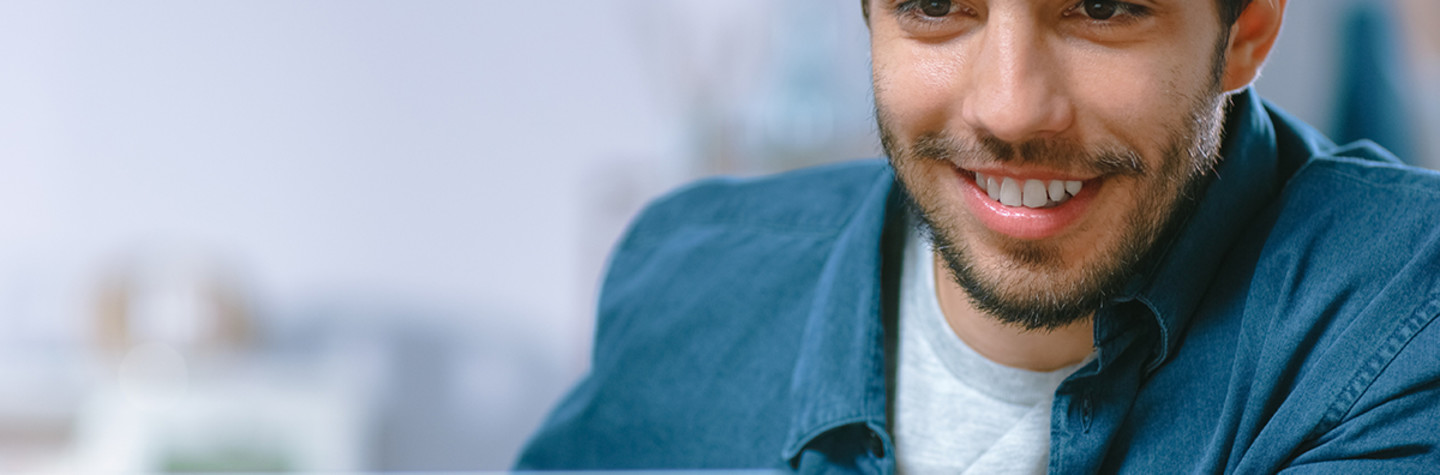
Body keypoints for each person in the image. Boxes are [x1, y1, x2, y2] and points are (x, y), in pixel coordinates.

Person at [516, 0, 1440, 472]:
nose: (1010, 109)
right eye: (934, 2)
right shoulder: (687, 280)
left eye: (1103, 6)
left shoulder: (1401, 312)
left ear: (1248, 27)